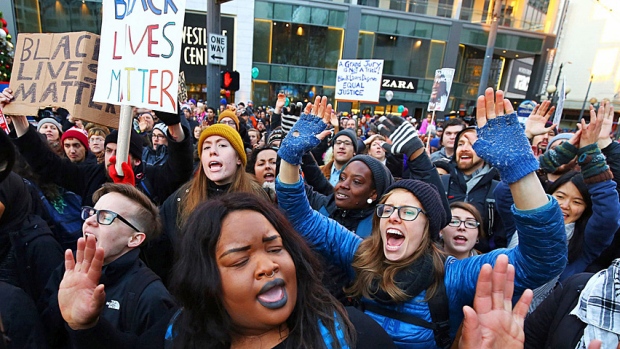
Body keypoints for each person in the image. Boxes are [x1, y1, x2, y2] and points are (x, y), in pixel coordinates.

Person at [276, 92, 567, 348]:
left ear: (429, 226)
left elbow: (542, 260)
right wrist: (289, 158)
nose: (393, 218)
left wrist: (519, 169)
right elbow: (301, 219)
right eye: (387, 210)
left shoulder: (453, 278)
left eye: (408, 212)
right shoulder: (359, 256)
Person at [56, 193, 397, 349]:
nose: (268, 266)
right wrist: (84, 326)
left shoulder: (354, 336)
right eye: (239, 259)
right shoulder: (178, 333)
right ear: (206, 280)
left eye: (275, 248)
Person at [3, 87, 194, 207]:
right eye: (109, 150)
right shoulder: (90, 176)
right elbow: (47, 163)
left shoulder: (153, 178)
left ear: (137, 159)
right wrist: (19, 121)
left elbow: (181, 168)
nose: (113, 157)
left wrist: (174, 126)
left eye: (120, 152)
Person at [40, 183, 175, 349]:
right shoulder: (70, 269)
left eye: (105, 217)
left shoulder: (151, 296)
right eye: (91, 212)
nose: (89, 221)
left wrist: (90, 326)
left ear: (135, 239)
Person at [149, 124, 267, 285]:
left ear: (239, 158)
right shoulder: (182, 198)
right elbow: (158, 250)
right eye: (206, 147)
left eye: (222, 145)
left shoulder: (258, 198)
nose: (213, 151)